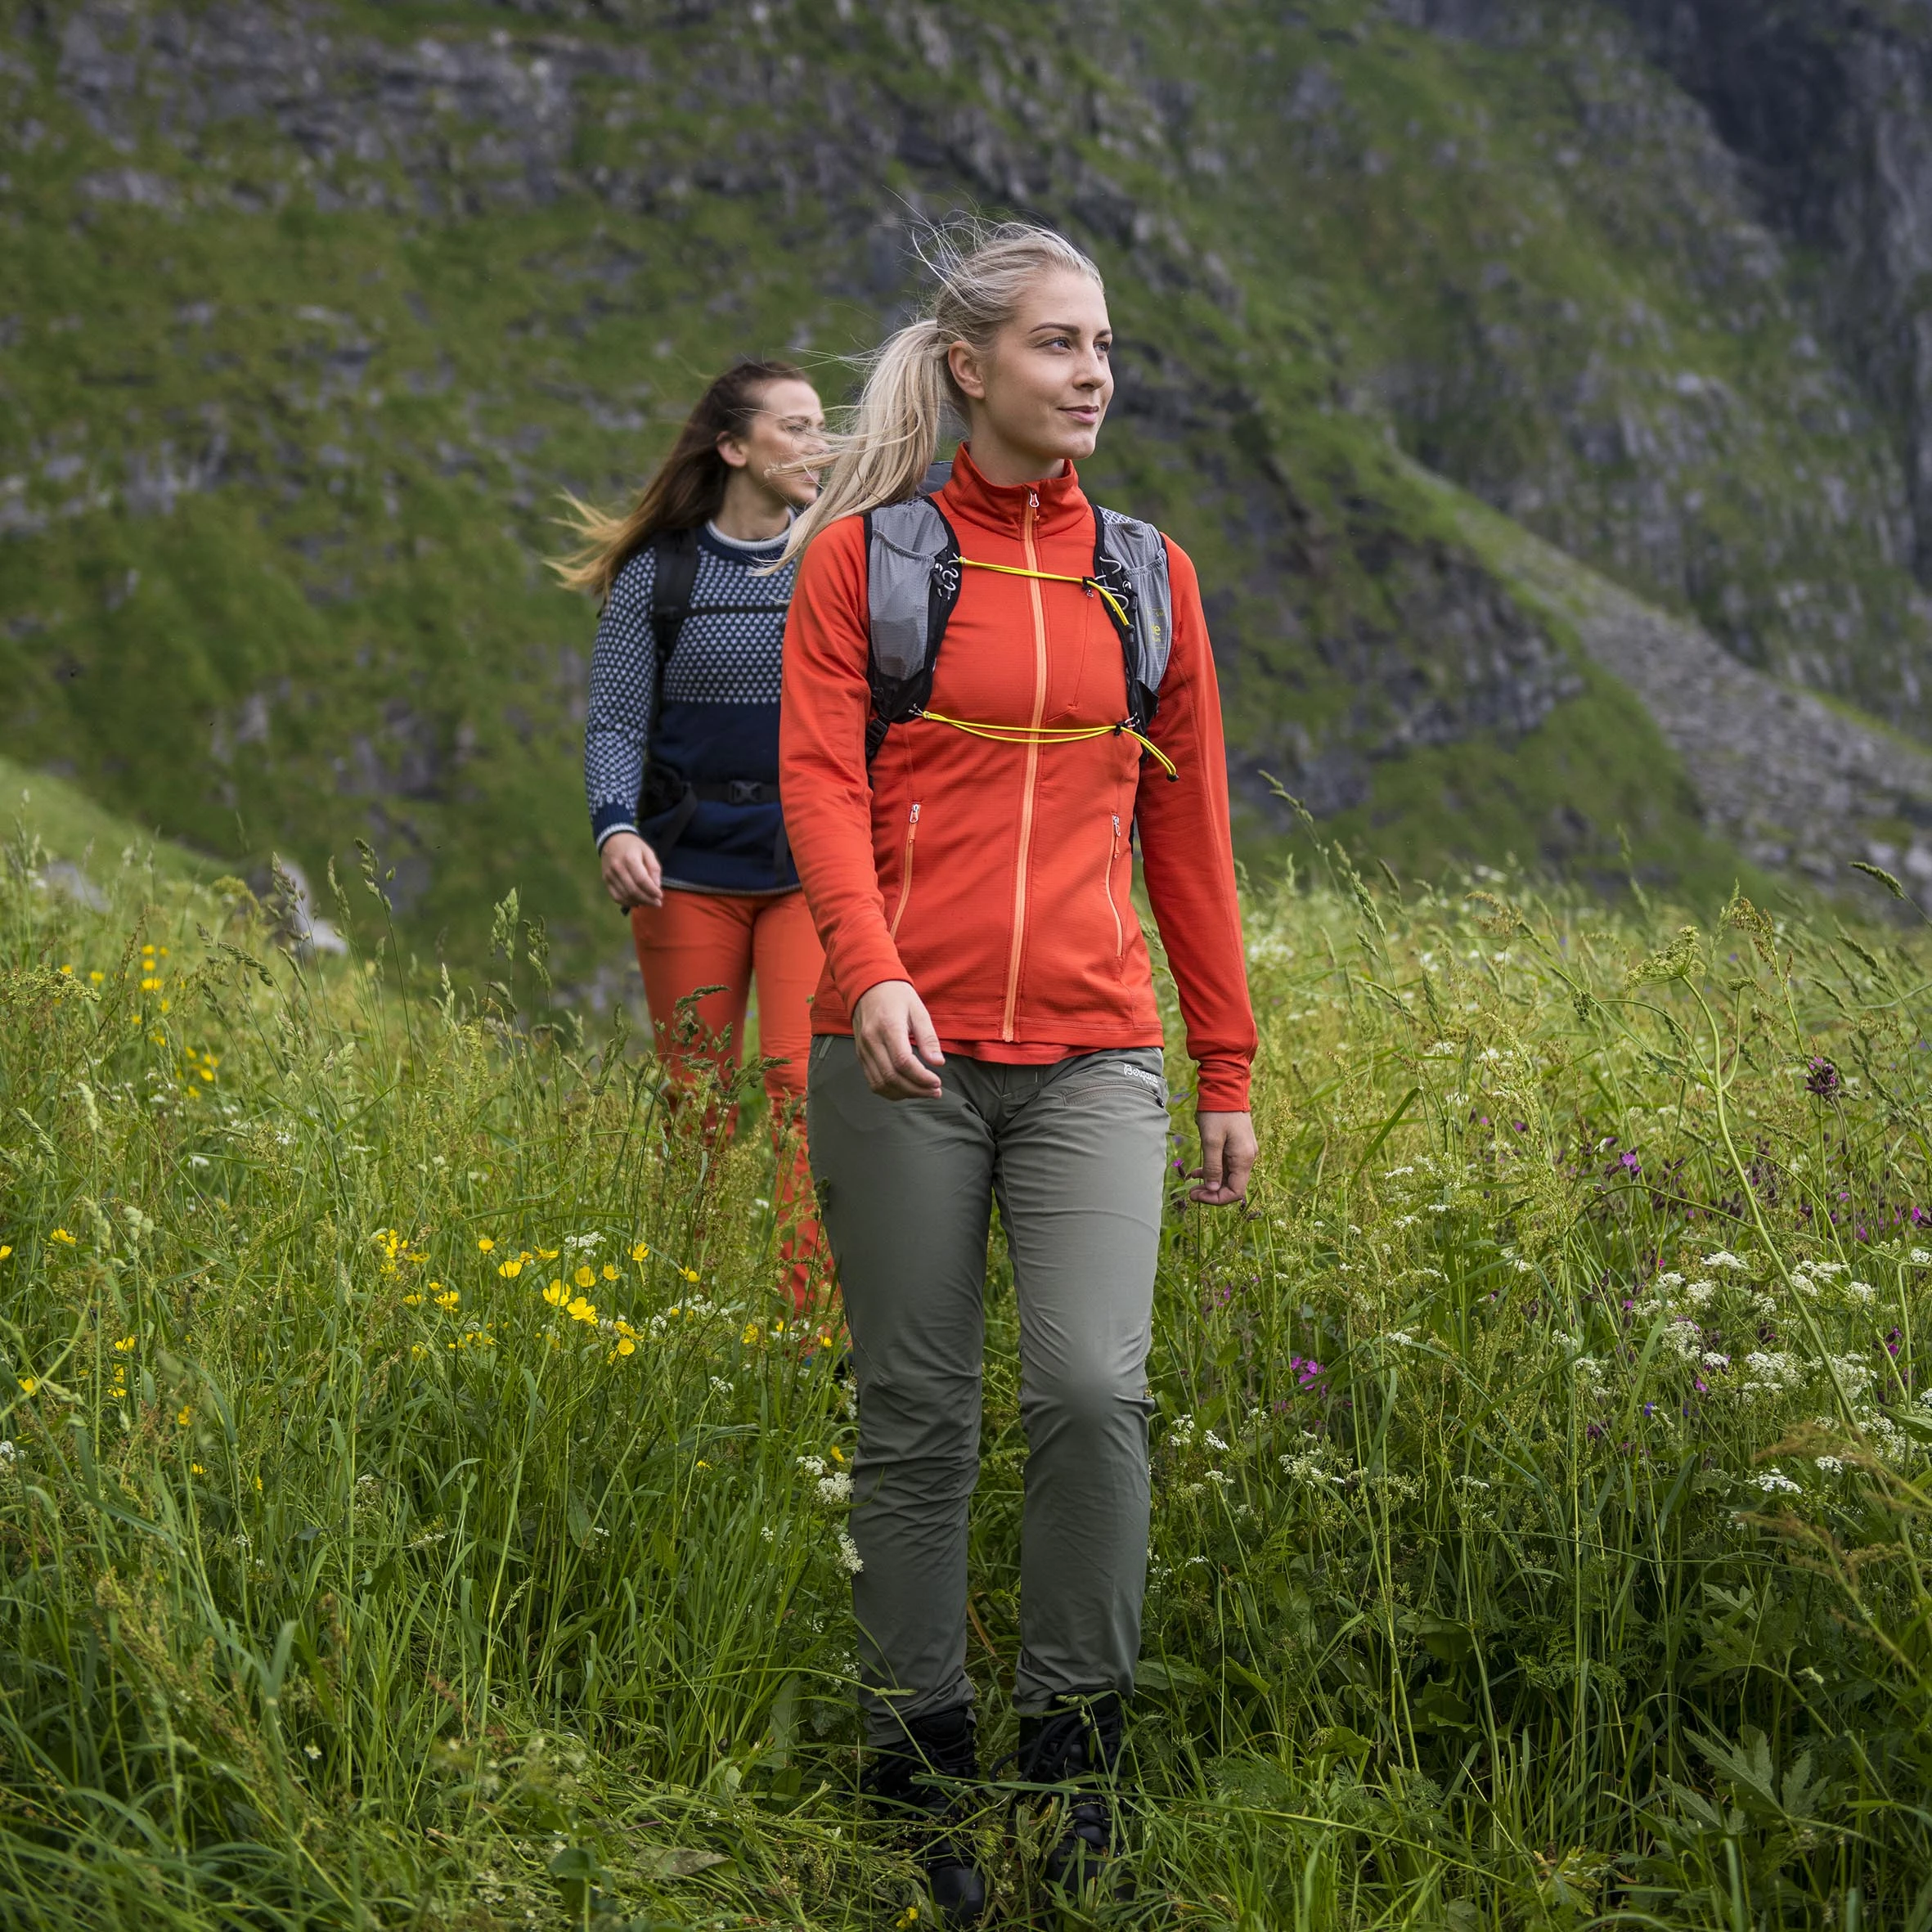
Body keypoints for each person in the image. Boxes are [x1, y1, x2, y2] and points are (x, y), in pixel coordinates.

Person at [777, 225, 1258, 1919]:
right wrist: (870, 967)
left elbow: (1187, 833)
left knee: (1088, 1391)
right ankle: (912, 1762)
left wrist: (1225, 1059)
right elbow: (820, 790)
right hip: (897, 1054)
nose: (1092, 374)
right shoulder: (866, 563)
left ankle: (1076, 1758)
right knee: (913, 1418)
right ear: (970, 365)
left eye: (1104, 345)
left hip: (1093, 1054)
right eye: (1058, 344)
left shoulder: (1147, 575)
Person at [559, 360, 831, 1307]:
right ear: (733, 447)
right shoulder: (658, 574)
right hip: (686, 872)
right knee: (696, 1104)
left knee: (807, 1094)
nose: (818, 444)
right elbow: (617, 722)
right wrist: (613, 829)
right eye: (794, 427)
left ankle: (811, 1332)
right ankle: (688, 1310)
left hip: (809, 867)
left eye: (820, 425)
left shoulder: (834, 559)